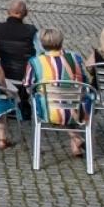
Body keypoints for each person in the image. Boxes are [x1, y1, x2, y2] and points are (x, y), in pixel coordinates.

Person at [26, 27, 90, 157]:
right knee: (69, 100)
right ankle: (76, 142)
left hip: (48, 111)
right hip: (76, 111)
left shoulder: (35, 62)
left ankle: (76, 140)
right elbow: (84, 80)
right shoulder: (75, 58)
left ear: (42, 44)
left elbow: (28, 85)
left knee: (50, 100)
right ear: (61, 41)